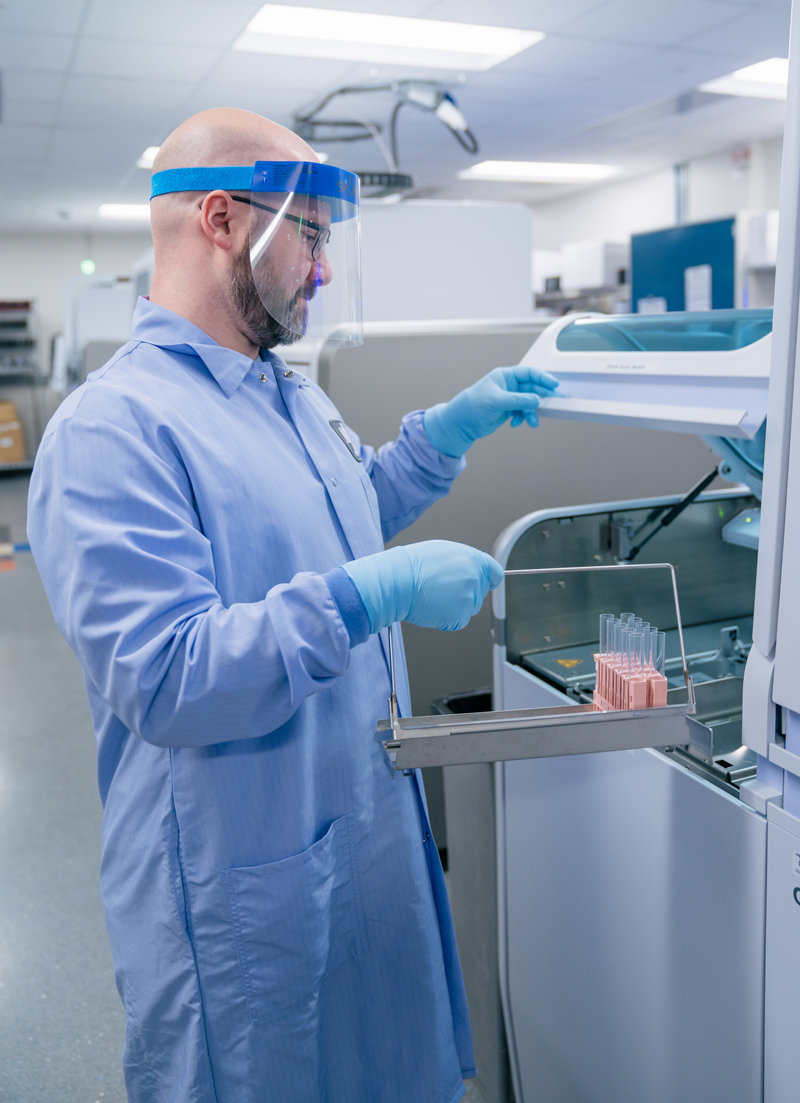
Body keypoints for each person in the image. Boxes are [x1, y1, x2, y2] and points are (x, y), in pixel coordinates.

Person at [28, 108, 558, 1103]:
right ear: (222, 221)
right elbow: (168, 674)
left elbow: (342, 515)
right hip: (239, 880)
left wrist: (444, 433)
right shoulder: (115, 430)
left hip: (355, 829)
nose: (320, 269)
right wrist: (371, 592)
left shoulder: (287, 392)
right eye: (309, 235)